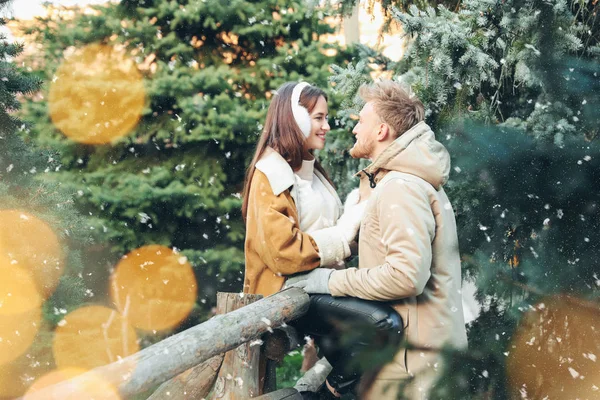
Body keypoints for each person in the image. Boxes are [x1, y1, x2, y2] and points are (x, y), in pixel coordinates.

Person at [287, 80, 469, 399]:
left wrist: (327, 281)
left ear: (382, 130)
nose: (354, 128)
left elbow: (405, 276)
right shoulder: (403, 183)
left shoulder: (402, 187)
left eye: (362, 121)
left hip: (412, 368)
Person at [242, 81, 402, 398]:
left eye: (325, 117)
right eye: (318, 117)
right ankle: (326, 394)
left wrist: (362, 223)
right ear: (294, 118)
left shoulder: (313, 171)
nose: (327, 126)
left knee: (358, 356)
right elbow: (282, 252)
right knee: (382, 324)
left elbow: (333, 231)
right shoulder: (270, 172)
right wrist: (344, 233)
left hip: (320, 282)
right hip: (285, 289)